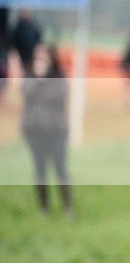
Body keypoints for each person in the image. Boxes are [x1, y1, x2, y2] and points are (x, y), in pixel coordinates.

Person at [21, 44, 73, 218]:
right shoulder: (29, 75)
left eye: (44, 58)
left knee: (61, 170)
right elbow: (26, 93)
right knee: (40, 171)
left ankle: (68, 207)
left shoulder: (59, 76)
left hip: (56, 131)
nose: (40, 62)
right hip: (35, 131)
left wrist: (44, 81)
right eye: (38, 58)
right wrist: (37, 80)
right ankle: (44, 208)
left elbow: (59, 95)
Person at [11, 9, 43, 76]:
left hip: (31, 55)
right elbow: (13, 42)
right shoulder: (17, 27)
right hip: (21, 56)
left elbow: (39, 41)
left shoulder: (35, 26)